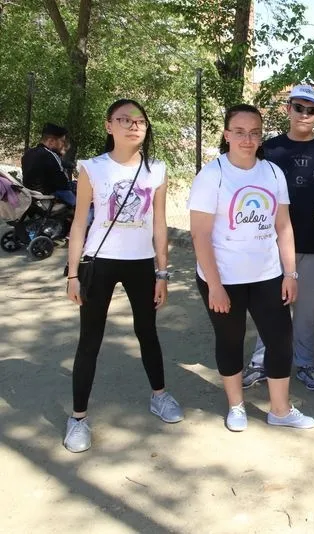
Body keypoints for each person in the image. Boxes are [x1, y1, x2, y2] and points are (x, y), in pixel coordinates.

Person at [62, 99, 181, 453]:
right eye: (124, 120)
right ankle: (78, 418)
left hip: (142, 263)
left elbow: (159, 224)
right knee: (90, 339)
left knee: (147, 331)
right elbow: (79, 222)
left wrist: (162, 272)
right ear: (108, 126)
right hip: (99, 262)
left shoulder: (155, 169)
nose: (133, 125)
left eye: (139, 121)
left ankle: (159, 395)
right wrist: (72, 275)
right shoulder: (92, 168)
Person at [189, 104, 314, 432]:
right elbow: (200, 235)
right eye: (240, 132)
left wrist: (290, 273)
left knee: (280, 340)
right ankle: (236, 406)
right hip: (224, 277)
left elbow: (284, 227)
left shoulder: (272, 173)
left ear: (261, 136)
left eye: (255, 132)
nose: (248, 139)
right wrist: (215, 285)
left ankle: (280, 409)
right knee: (230, 340)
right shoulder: (212, 175)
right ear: (227, 134)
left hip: (267, 276)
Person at [241, 84, 314, 392]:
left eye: (311, 109)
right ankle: (262, 361)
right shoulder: (269, 149)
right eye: (298, 107)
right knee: (270, 308)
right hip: (271, 245)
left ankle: (305, 362)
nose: (304, 114)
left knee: (308, 311)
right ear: (288, 109)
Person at [21, 122, 76, 206]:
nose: (62, 145)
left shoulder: (28, 153)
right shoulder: (51, 155)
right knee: (84, 207)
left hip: (31, 196)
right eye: (62, 141)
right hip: (48, 197)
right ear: (51, 141)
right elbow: (62, 183)